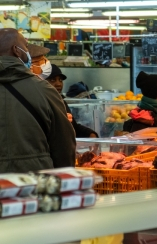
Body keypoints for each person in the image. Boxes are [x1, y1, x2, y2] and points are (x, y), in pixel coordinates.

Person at [0, 29, 75, 171]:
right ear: (17, 50)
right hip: (35, 180)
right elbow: (63, 144)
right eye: (26, 47)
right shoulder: (44, 90)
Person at [46, 64, 98, 138]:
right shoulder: (42, 103)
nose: (58, 84)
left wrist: (90, 134)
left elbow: (73, 126)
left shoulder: (61, 102)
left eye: (60, 80)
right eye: (52, 80)